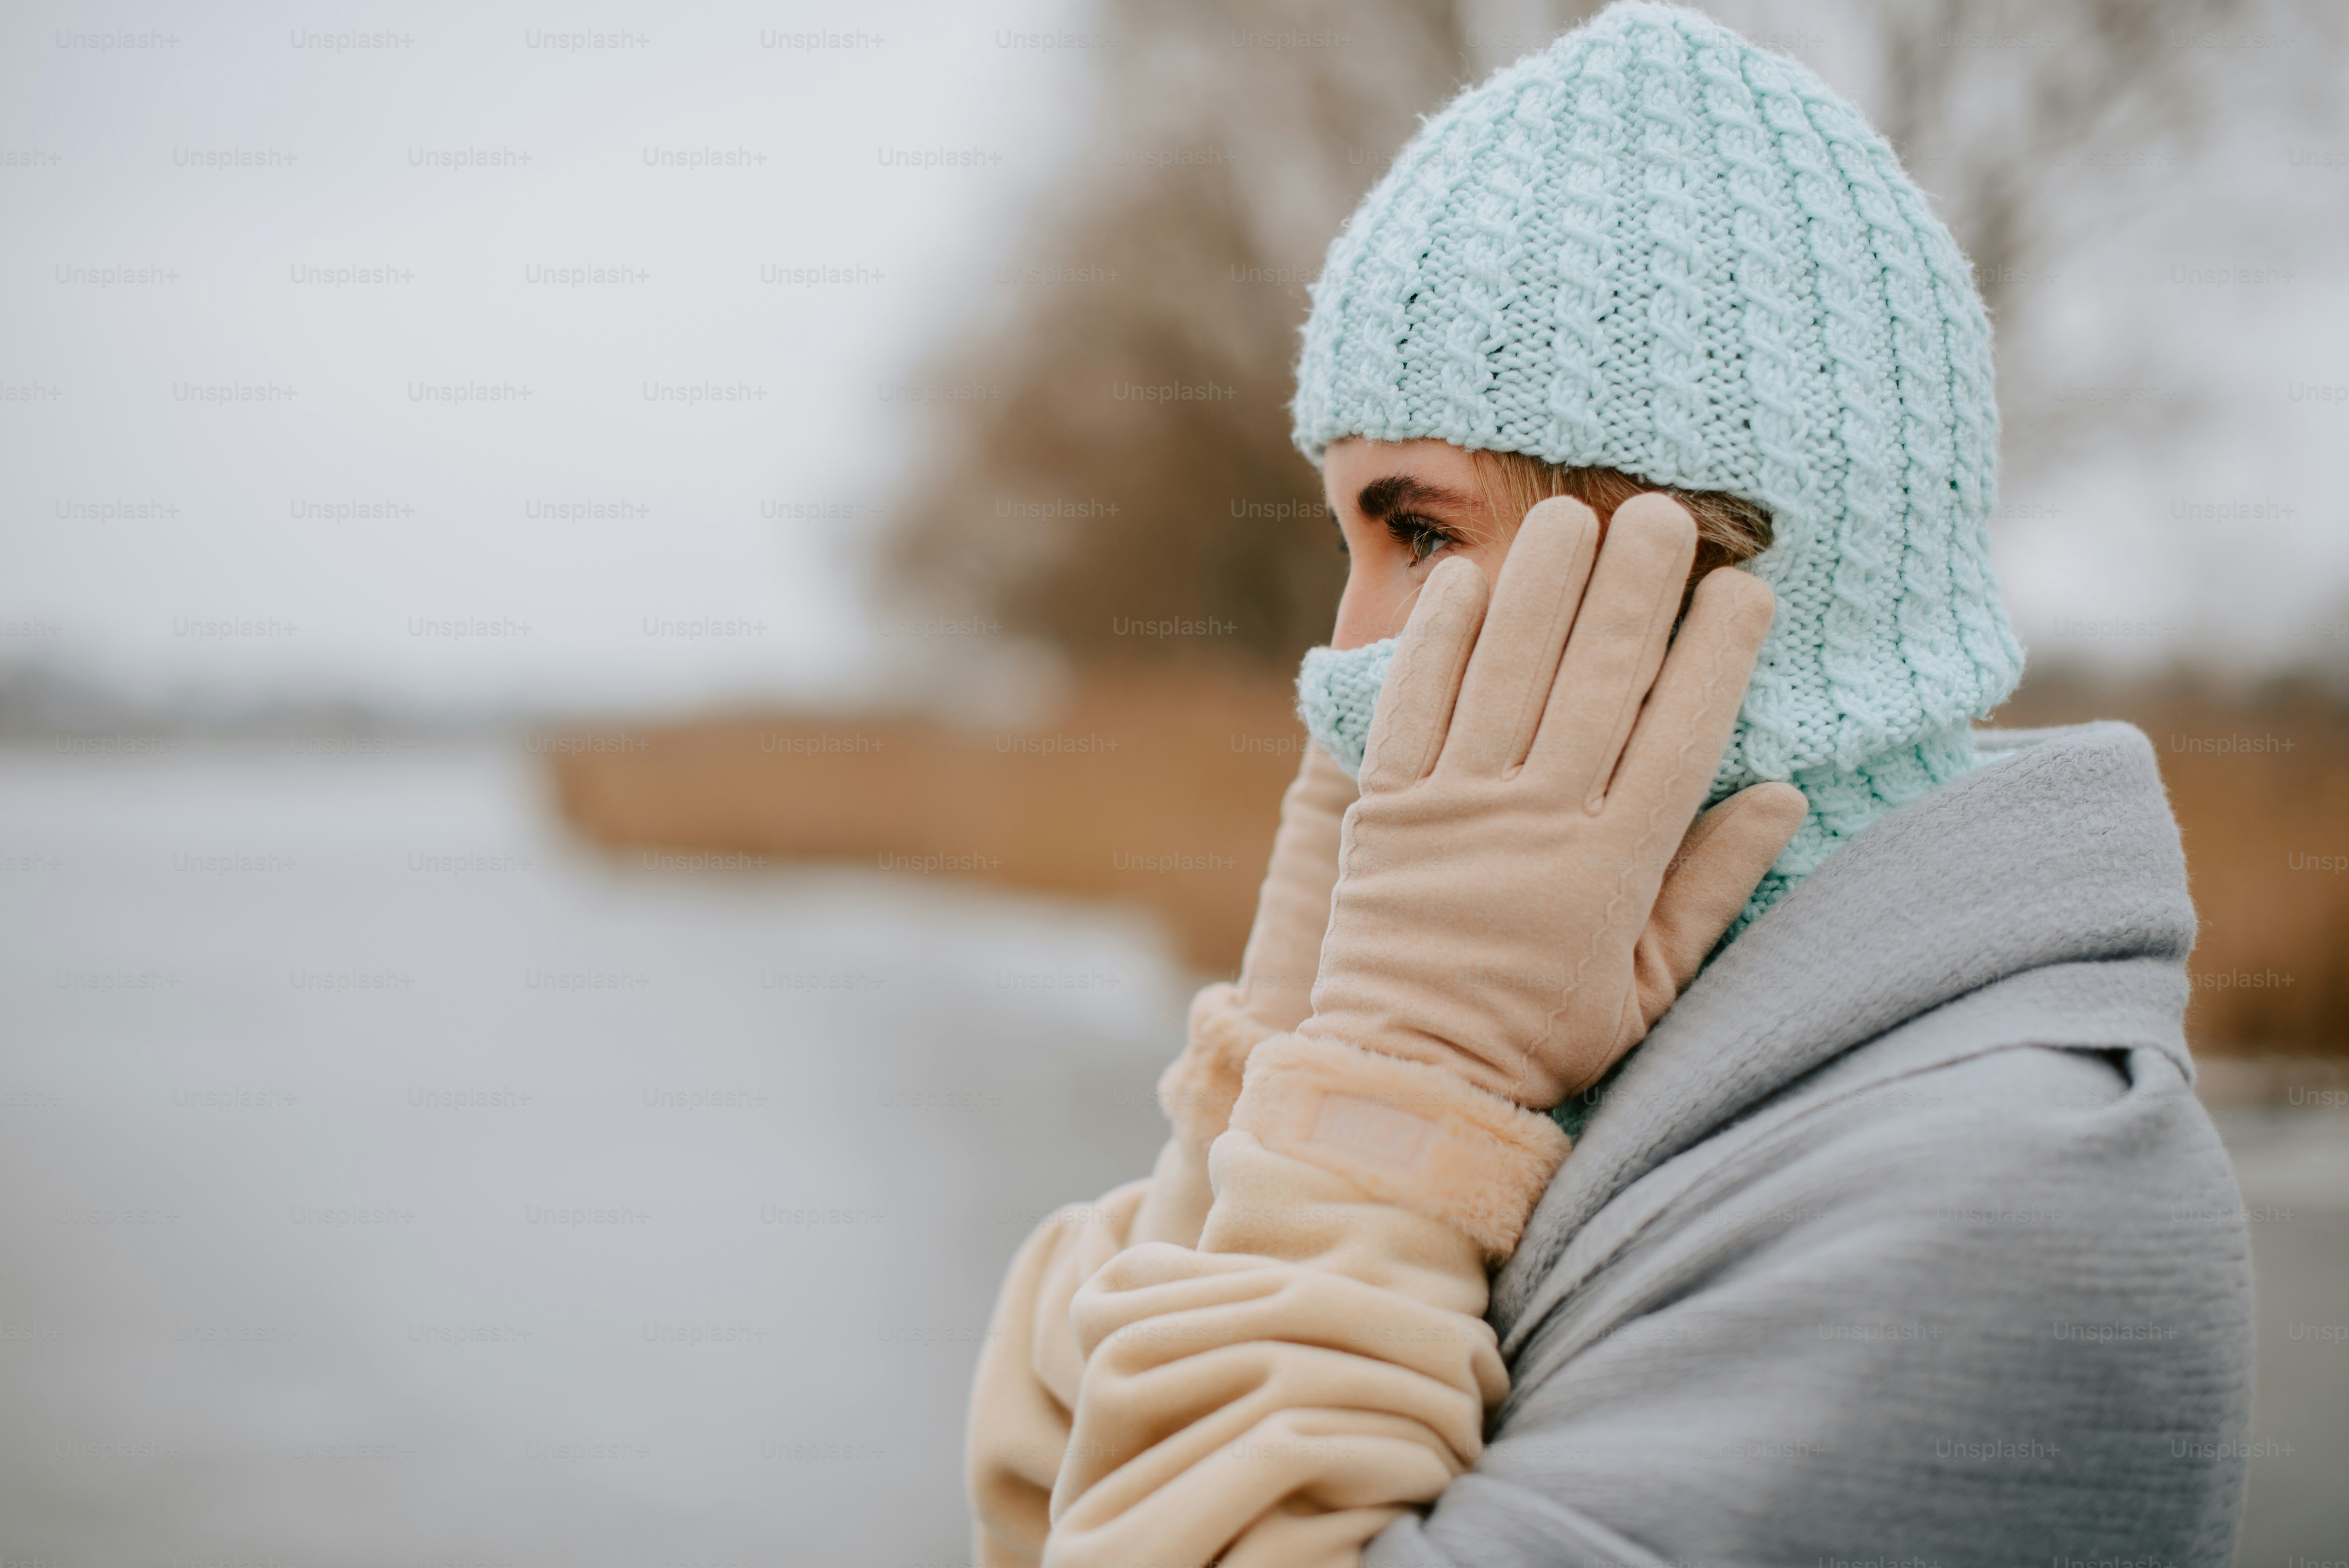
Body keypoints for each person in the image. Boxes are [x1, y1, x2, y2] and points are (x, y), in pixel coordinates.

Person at [964, 5, 2255, 1564]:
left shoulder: (2005, 1204)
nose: (1341, 650)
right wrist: (1296, 1067)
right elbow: (1062, 1475)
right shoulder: (1586, 1055)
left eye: (1420, 531)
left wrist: (1392, 1096)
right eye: (1348, 540)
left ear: (1703, 580)